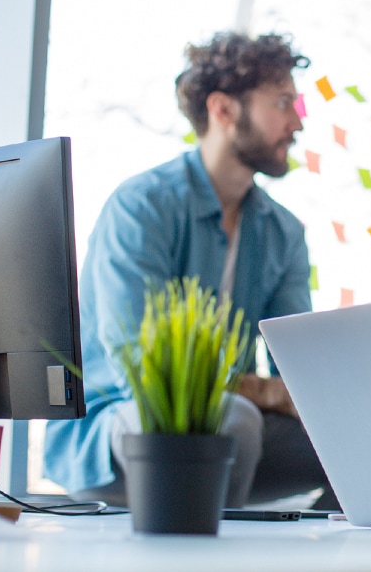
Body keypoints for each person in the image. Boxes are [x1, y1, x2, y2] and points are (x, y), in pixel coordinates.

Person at [44, 32, 336, 509]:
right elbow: (145, 367)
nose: (297, 121)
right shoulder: (142, 206)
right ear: (223, 110)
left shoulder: (283, 231)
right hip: (120, 426)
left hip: (235, 429)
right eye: (283, 102)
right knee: (233, 419)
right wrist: (267, 391)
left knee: (367, 437)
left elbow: (300, 373)